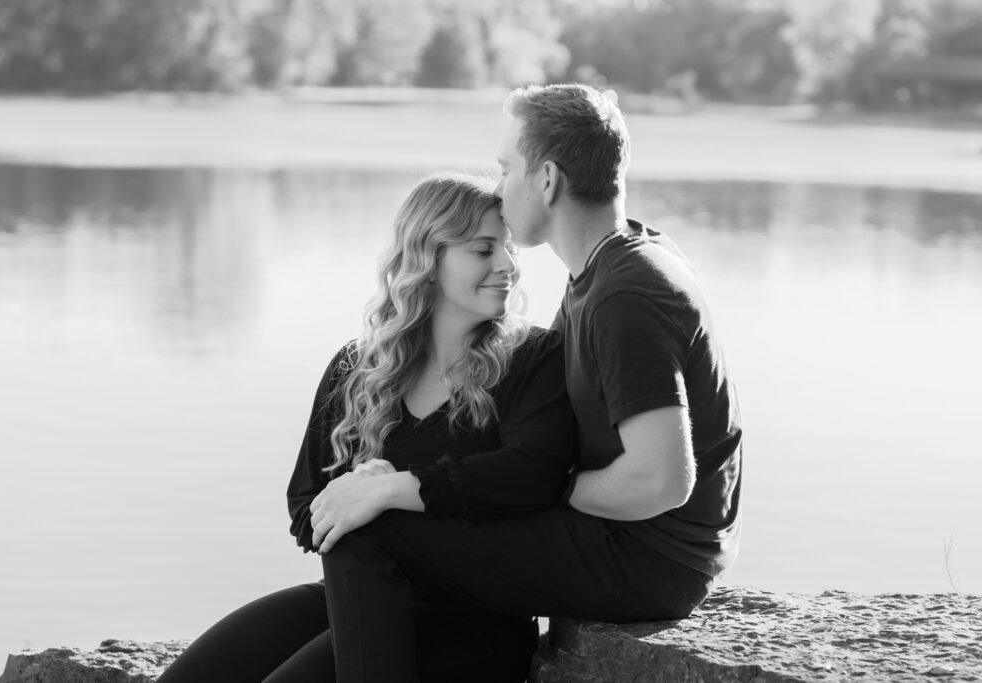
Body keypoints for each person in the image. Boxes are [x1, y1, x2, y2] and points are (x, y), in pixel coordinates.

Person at [318, 83, 743, 683]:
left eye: (506, 168)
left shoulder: (627, 293)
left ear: (546, 179)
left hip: (649, 558)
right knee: (385, 534)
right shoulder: (611, 266)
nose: (498, 188)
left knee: (375, 531)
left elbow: (662, 480)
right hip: (628, 540)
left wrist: (544, 487)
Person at [155, 173, 577, 683]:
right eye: (484, 249)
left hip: (477, 621)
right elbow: (305, 505)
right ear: (427, 257)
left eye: (508, 247)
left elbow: (533, 475)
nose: (508, 265)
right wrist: (356, 488)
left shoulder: (533, 358)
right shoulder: (358, 368)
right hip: (358, 596)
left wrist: (389, 493)